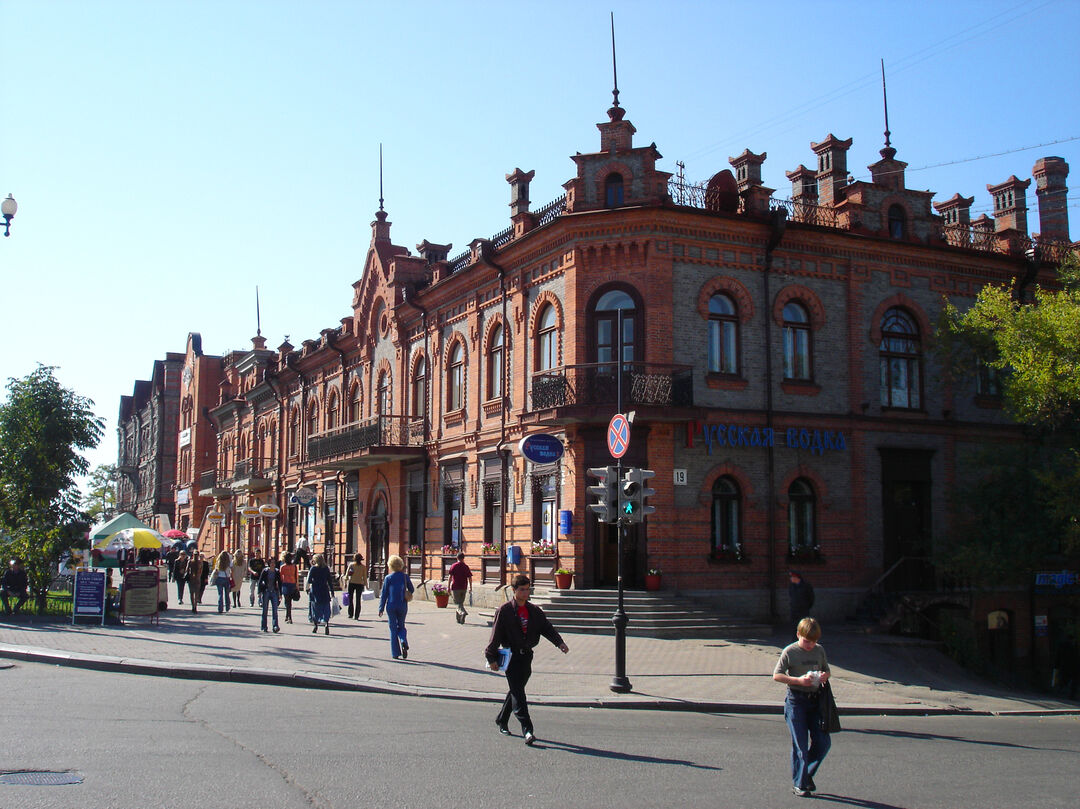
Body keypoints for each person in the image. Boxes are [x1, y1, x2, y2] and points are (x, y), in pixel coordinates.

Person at [485, 574, 569, 745]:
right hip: (511, 656)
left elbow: (547, 628)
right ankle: (527, 729)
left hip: (527, 656)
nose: (525, 592)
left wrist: (559, 643)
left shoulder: (534, 611)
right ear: (514, 590)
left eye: (527, 589)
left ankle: (501, 719)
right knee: (519, 694)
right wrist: (491, 656)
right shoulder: (505, 610)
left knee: (517, 690)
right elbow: (496, 635)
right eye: (522, 589)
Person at [773, 617, 833, 798]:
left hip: (815, 701)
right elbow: (777, 675)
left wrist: (824, 676)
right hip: (796, 700)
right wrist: (798, 680)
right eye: (807, 641)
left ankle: (805, 775)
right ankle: (800, 784)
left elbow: (827, 670)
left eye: (813, 641)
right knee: (800, 745)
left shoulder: (819, 650)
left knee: (823, 743)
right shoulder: (790, 651)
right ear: (798, 634)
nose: (810, 645)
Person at [377, 555, 414, 659]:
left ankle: (395, 653)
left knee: (393, 629)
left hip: (391, 605)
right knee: (401, 626)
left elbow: (384, 594)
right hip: (402, 605)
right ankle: (403, 640)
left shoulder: (388, 578)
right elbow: (412, 589)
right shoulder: (405, 577)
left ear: (390, 565)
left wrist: (381, 608)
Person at [305, 554, 335, 635]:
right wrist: (332, 592)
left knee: (315, 609)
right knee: (325, 608)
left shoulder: (313, 568)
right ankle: (326, 624)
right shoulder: (326, 569)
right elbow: (330, 581)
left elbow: (309, 580)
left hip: (315, 591)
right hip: (324, 590)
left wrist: (313, 583)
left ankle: (315, 626)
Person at [447, 551, 473, 625]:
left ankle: (462, 612)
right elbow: (470, 577)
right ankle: (459, 619)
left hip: (455, 587)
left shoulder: (454, 566)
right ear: (463, 558)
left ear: (457, 558)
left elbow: (450, 577)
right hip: (464, 587)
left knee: (458, 603)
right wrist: (470, 587)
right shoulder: (466, 566)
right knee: (460, 602)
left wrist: (448, 587)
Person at [258, 556, 282, 633]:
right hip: (266, 591)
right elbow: (260, 581)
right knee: (265, 610)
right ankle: (264, 626)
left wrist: (280, 594)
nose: (272, 564)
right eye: (271, 562)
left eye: (274, 563)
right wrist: (259, 592)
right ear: (269, 563)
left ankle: (275, 626)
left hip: (274, 592)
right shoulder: (265, 571)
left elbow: (280, 583)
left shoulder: (277, 571)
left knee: (275, 610)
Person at [344, 553, 366, 620]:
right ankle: (356, 615)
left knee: (350, 599)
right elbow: (364, 577)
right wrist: (366, 585)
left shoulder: (351, 565)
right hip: (359, 583)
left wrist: (345, 581)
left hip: (352, 583)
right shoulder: (363, 567)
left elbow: (347, 574)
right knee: (358, 600)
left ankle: (350, 614)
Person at [279, 552, 299, 624]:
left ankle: (288, 616)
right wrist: (297, 586)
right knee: (289, 602)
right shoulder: (294, 567)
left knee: (287, 601)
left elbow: (280, 578)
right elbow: (296, 577)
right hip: (292, 584)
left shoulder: (283, 567)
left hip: (285, 585)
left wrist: (279, 587)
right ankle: (288, 616)